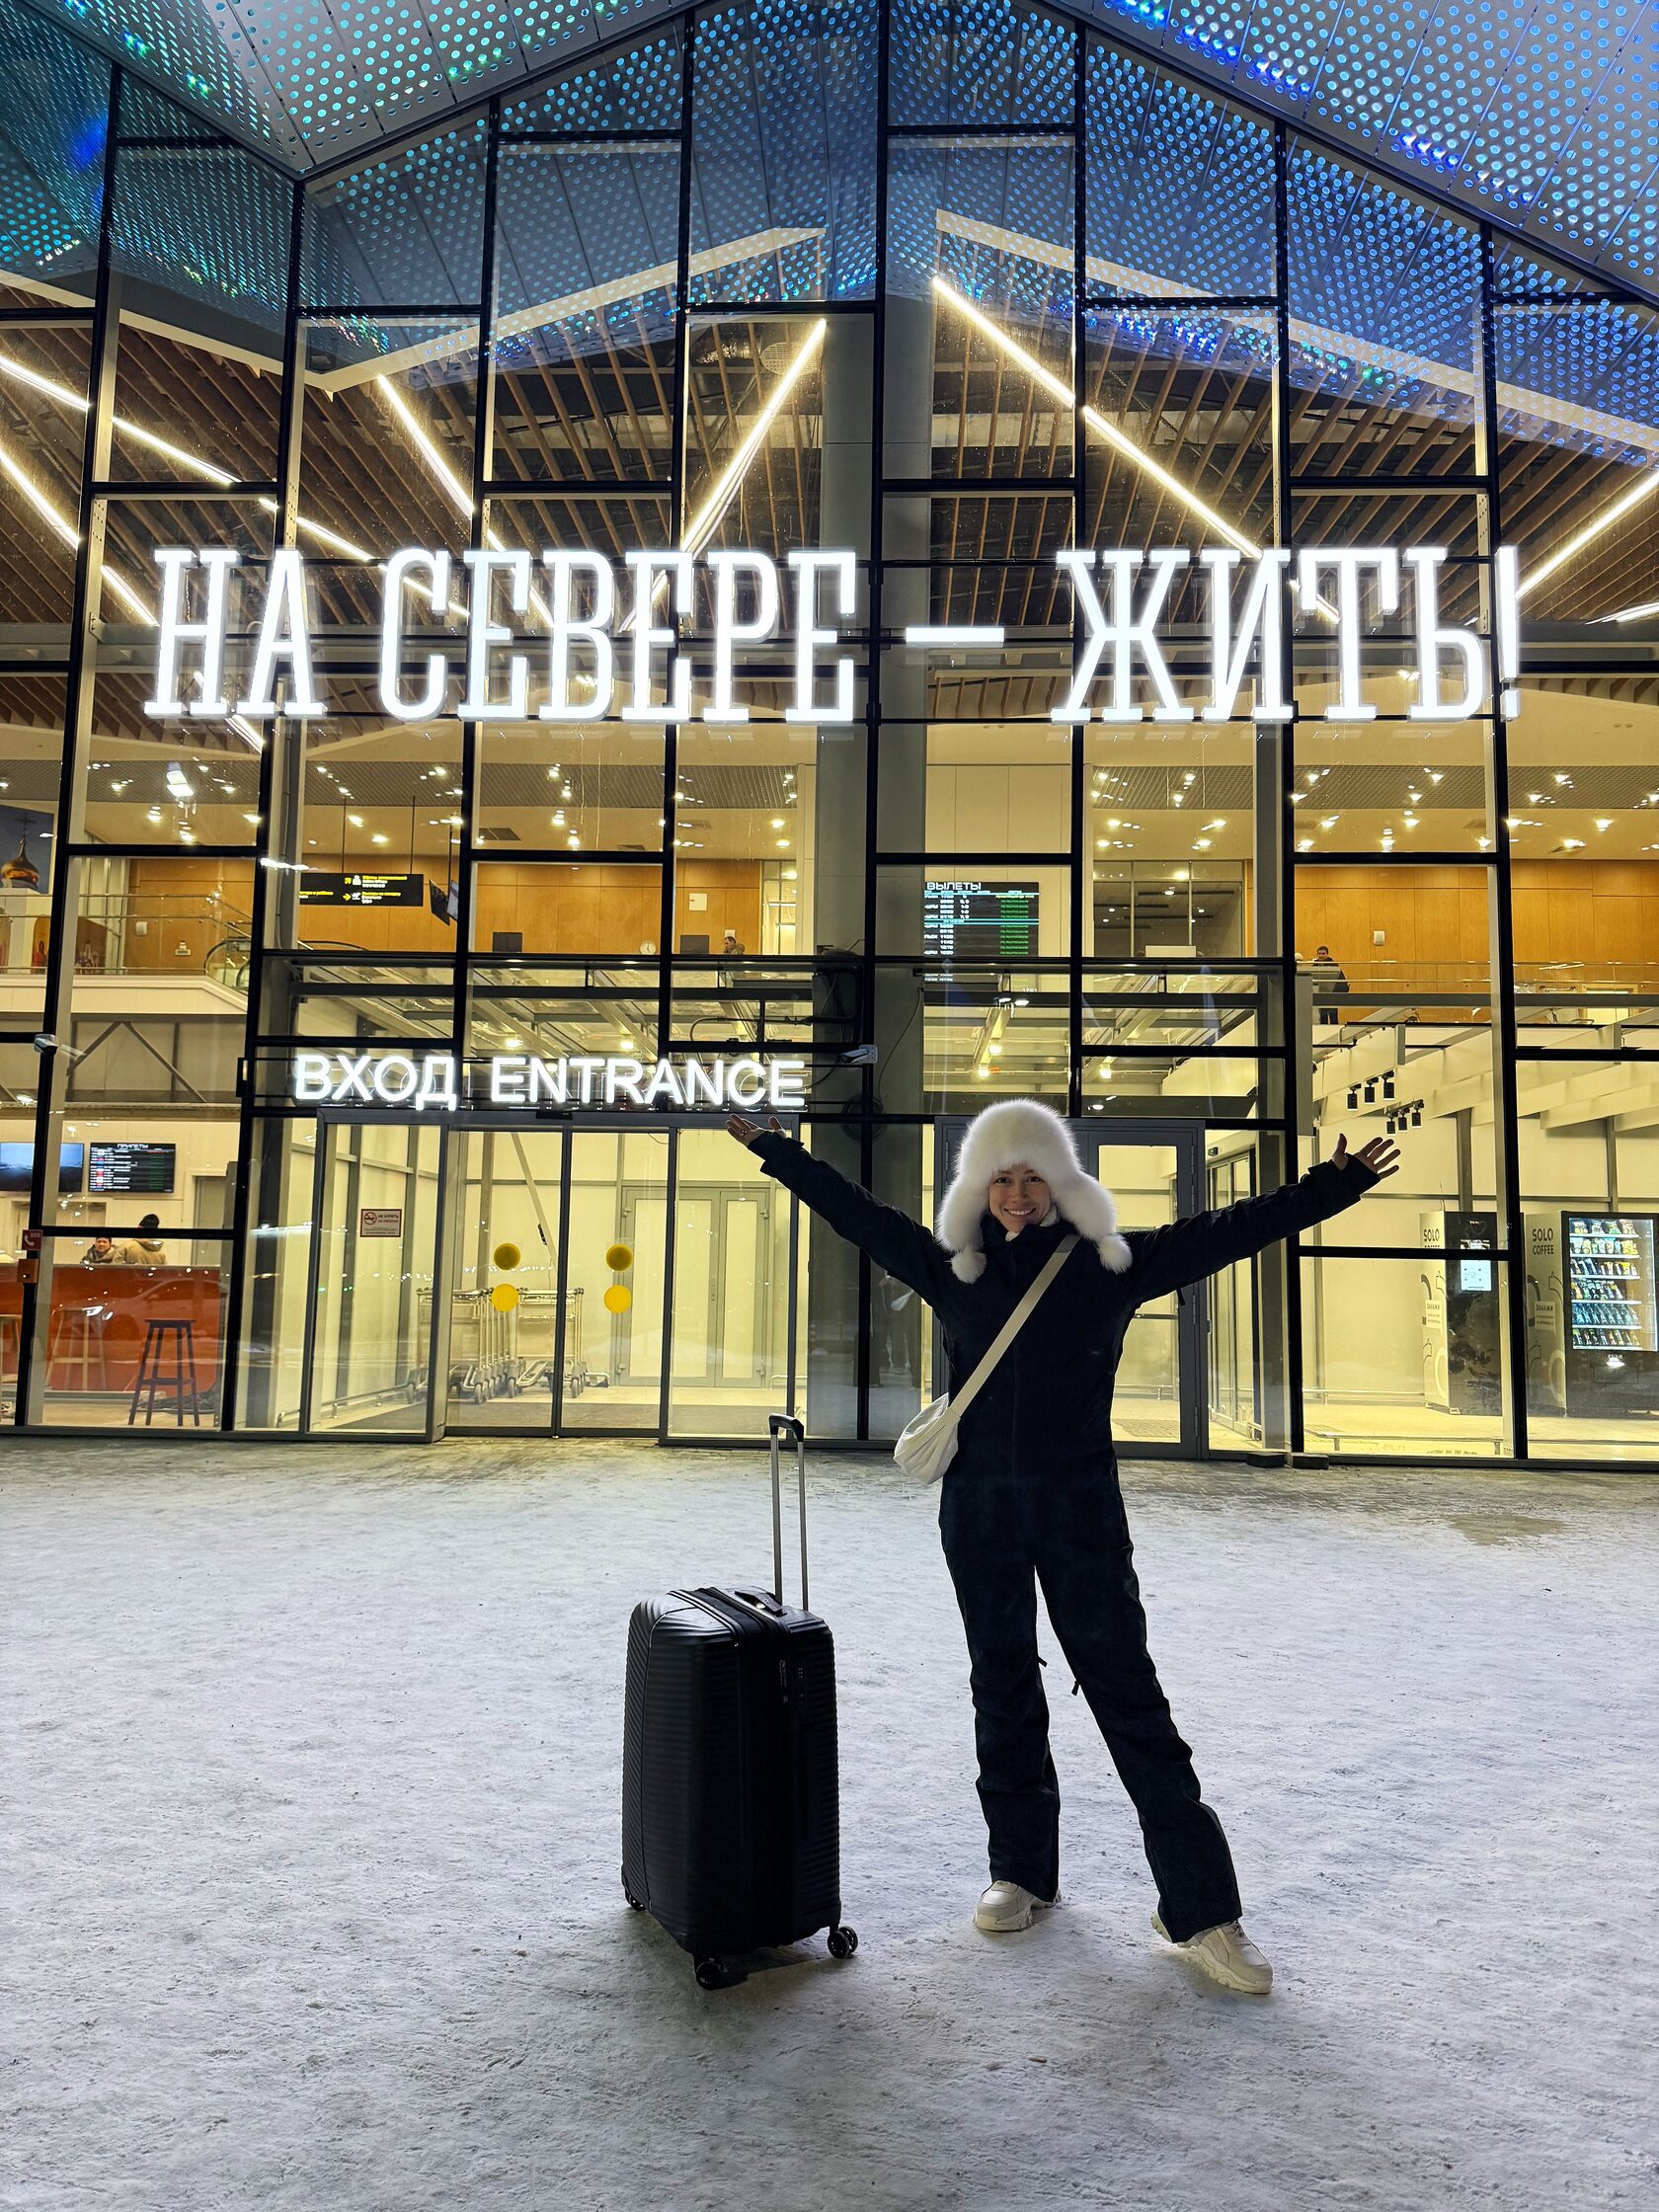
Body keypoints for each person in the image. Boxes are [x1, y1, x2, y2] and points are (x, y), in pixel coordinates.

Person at [728, 1097, 1399, 1995]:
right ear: (980, 1186)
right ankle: (1022, 1871)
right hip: (979, 1514)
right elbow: (859, 1215)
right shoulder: (952, 1270)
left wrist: (1332, 1186)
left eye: (1032, 1177)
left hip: (1080, 1514)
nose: (1016, 1194)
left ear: (1061, 1182)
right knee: (1001, 1682)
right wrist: (781, 1154)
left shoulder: (1109, 1266)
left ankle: (1202, 1909)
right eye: (1000, 1178)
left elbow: (1231, 1231)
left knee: (1128, 1695)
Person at [1308, 943, 1348, 1026]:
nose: (1321, 956)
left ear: (1327, 954)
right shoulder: (1314, 966)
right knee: (1322, 1017)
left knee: (1333, 1015)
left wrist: (1343, 989)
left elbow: (1340, 978)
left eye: (1323, 953)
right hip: (1320, 993)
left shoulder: (1334, 965)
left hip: (1332, 993)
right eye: (1319, 953)